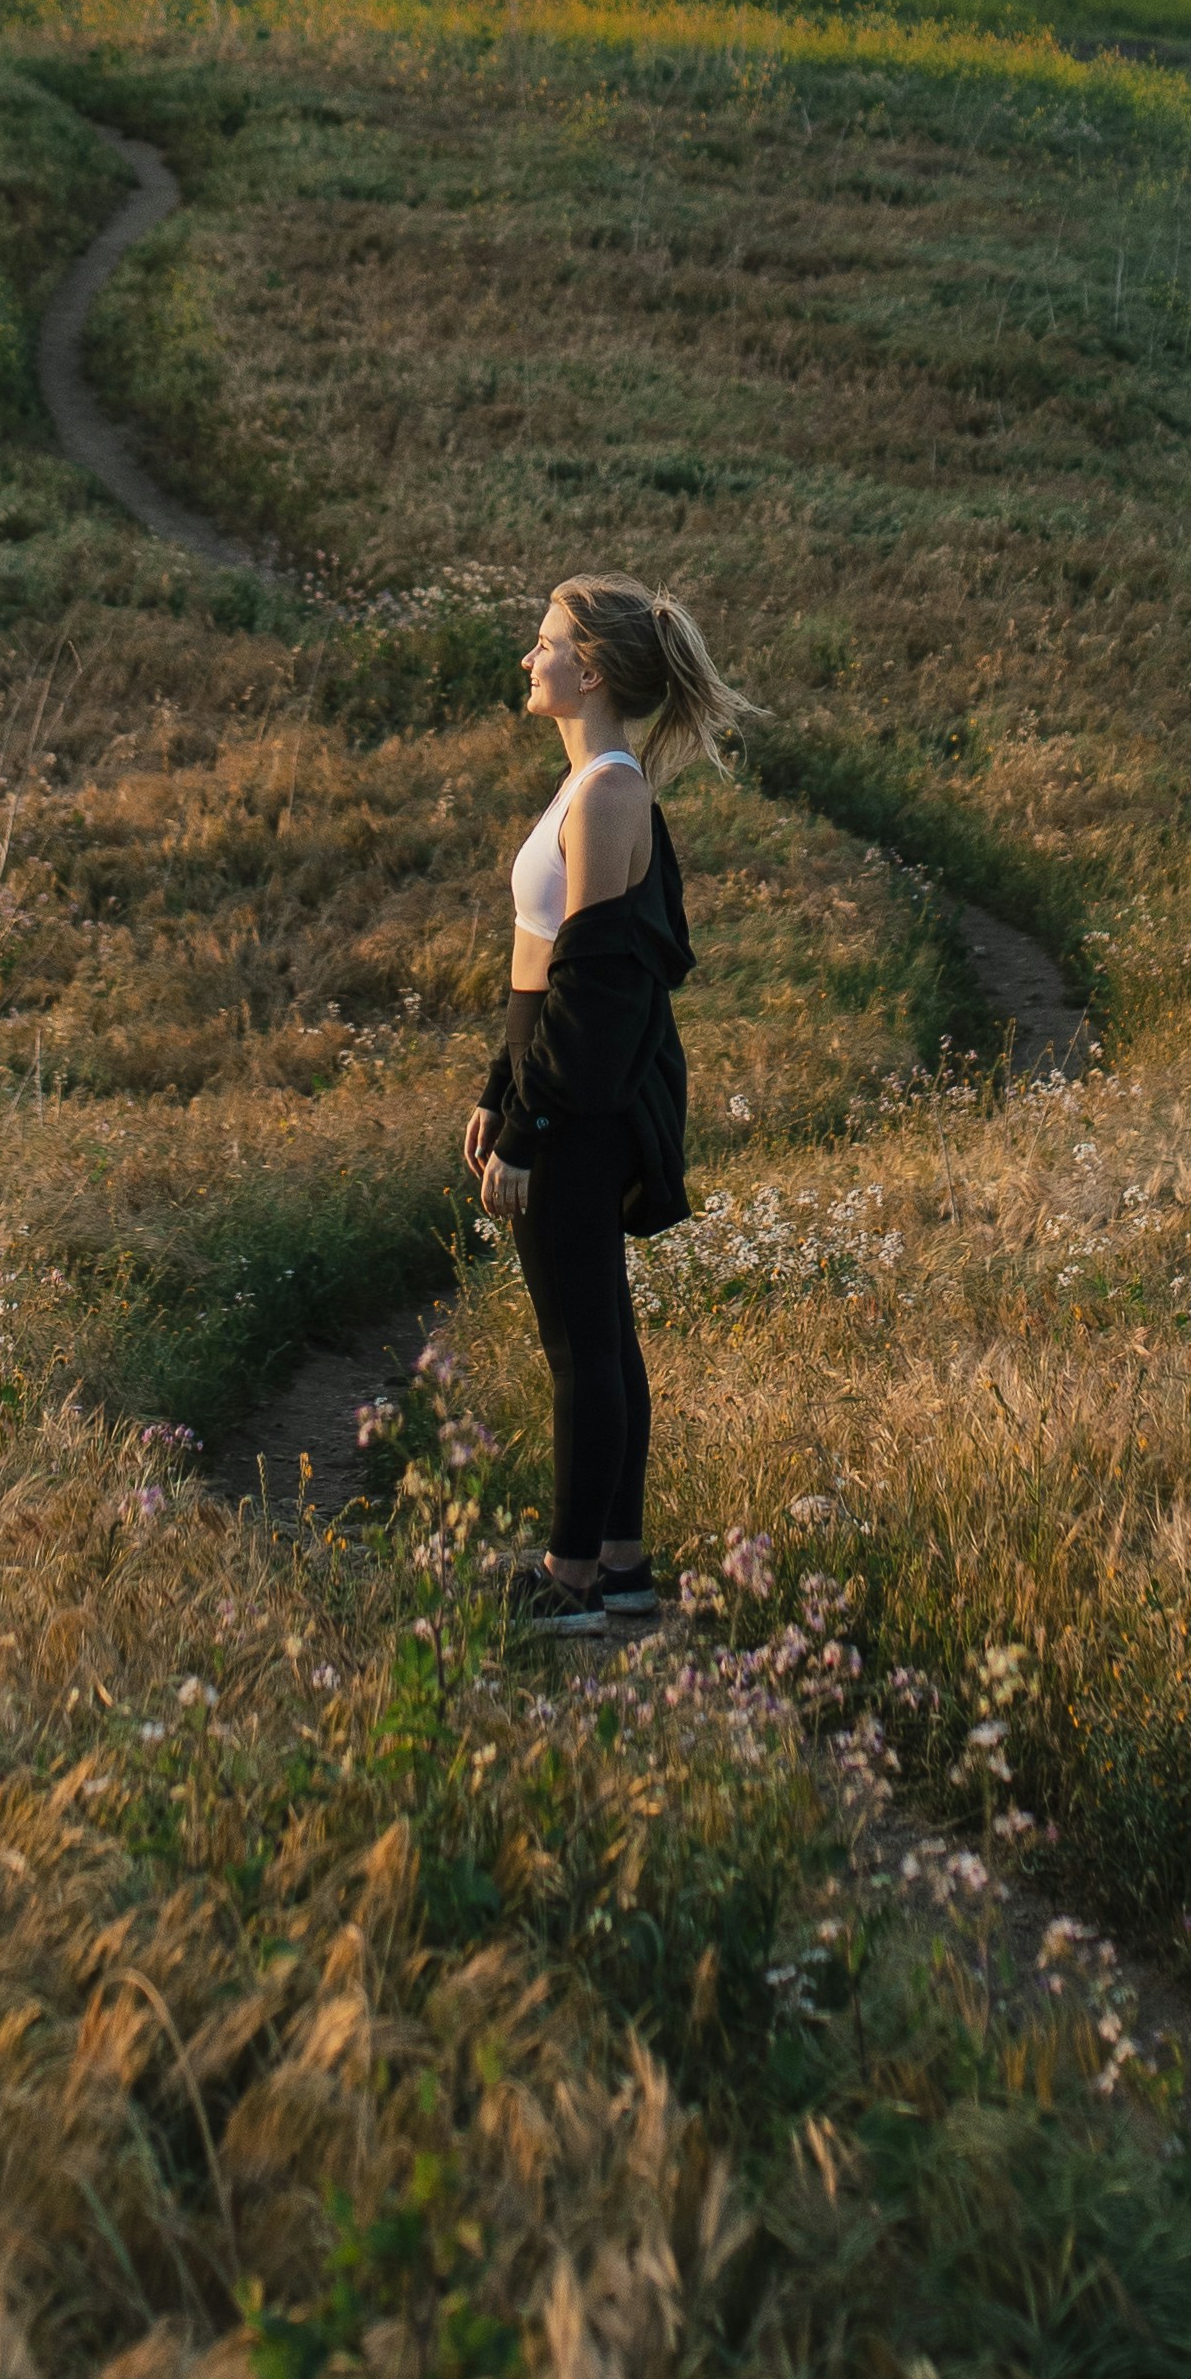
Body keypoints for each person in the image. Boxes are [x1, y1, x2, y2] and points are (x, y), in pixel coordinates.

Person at [465, 574, 744, 1632]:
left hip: (582, 1107)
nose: (528, 659)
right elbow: (538, 962)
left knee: (582, 1347)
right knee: (598, 1336)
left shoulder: (611, 795)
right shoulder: (583, 787)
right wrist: (498, 1089)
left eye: (544, 644)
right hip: (557, 1090)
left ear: (588, 670)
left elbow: (595, 990)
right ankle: (619, 1567)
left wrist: (531, 1128)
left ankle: (573, 1577)